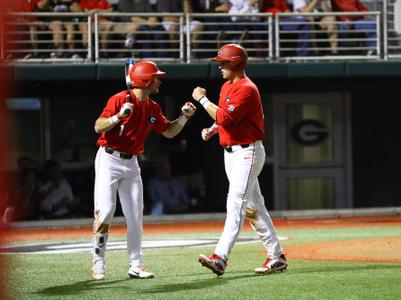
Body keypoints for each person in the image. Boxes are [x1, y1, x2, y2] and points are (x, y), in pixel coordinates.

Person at [91, 60, 196, 280]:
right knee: (106, 211)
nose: (159, 80)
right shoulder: (119, 99)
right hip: (109, 158)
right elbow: (98, 126)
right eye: (155, 77)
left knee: (135, 216)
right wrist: (118, 116)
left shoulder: (152, 106)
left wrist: (184, 117)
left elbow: (168, 132)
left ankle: (136, 265)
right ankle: (98, 260)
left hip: (131, 163)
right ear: (145, 80)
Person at [191, 44, 287, 276]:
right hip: (231, 152)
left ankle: (220, 257)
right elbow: (225, 118)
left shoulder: (247, 88)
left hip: (248, 151)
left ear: (235, 63)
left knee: (236, 204)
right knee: (255, 208)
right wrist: (213, 129)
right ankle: (277, 256)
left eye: (223, 62)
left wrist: (202, 100)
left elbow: (224, 115)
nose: (220, 66)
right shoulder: (227, 86)